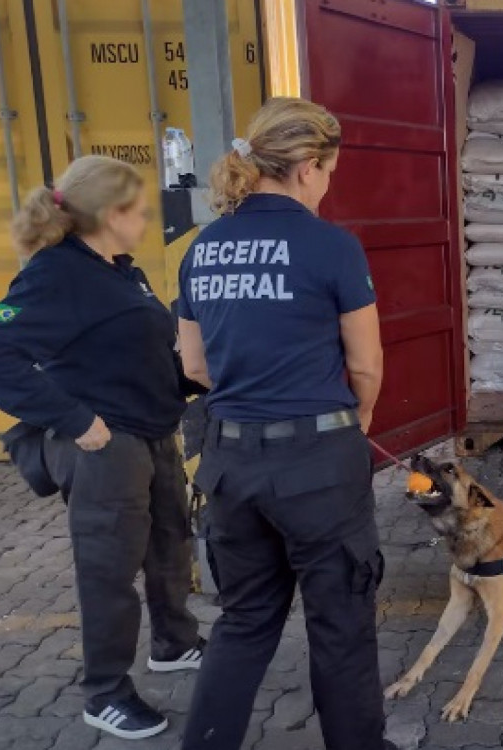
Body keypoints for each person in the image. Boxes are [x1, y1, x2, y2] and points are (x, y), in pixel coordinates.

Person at [176, 97, 388, 750]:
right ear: (306, 167)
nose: (328, 185)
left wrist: (251, 390)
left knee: (243, 622)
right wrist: (354, 425)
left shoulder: (203, 249)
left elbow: (192, 362)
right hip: (317, 464)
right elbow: (366, 364)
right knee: (340, 624)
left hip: (230, 461)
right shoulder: (331, 247)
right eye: (329, 171)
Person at [0, 155, 205, 739]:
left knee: (170, 545)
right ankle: (106, 692)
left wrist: (192, 376)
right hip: (105, 445)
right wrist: (73, 417)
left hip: (155, 432)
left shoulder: (121, 272)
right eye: (137, 210)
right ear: (109, 214)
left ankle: (175, 642)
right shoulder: (55, 274)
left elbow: (134, 354)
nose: (145, 219)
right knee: (109, 570)